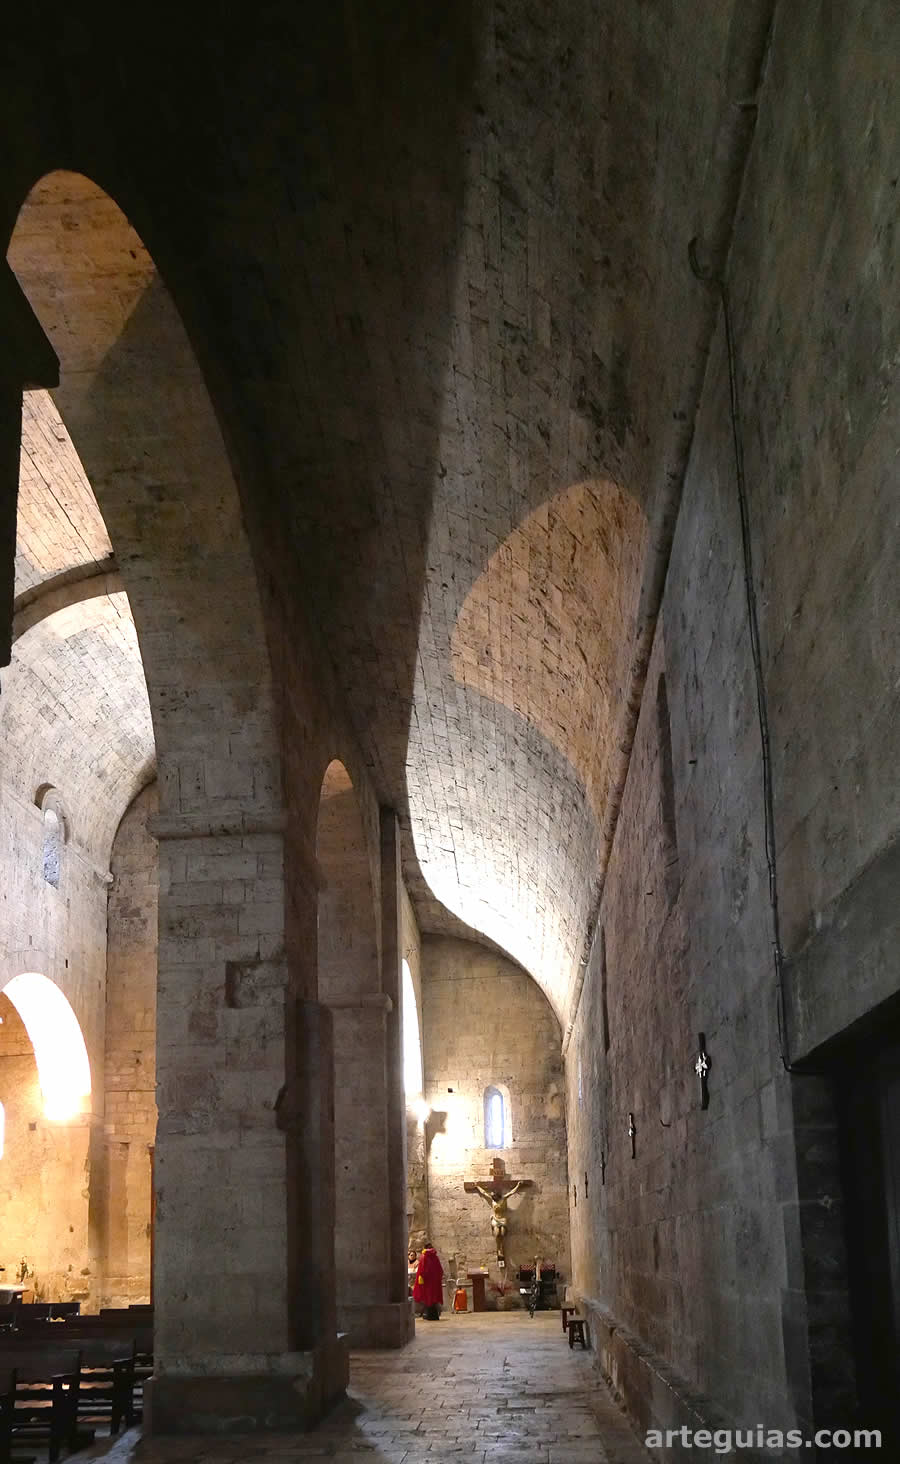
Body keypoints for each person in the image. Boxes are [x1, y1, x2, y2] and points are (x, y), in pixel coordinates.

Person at [412, 1241, 444, 1320]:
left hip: (427, 1282)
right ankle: (434, 1315)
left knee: (428, 1298)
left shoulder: (424, 1257)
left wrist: (420, 1277)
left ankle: (428, 1315)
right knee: (434, 1297)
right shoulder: (435, 1257)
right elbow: (440, 1270)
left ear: (425, 1248)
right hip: (435, 1282)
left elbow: (422, 1270)